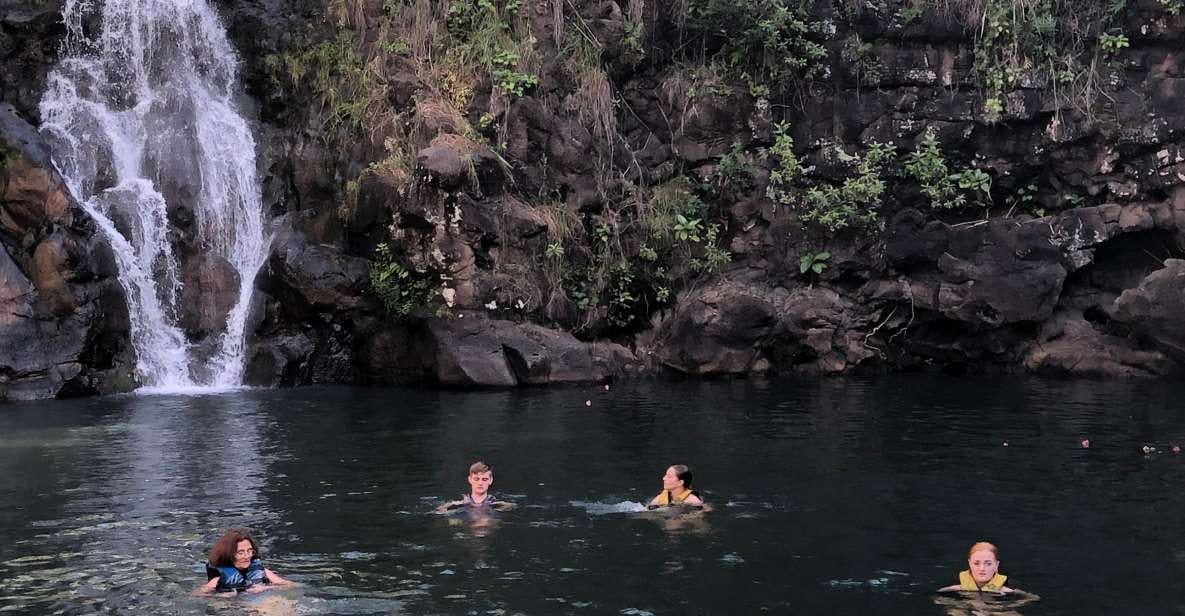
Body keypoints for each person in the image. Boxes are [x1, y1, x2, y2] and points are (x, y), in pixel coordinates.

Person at [194, 529, 297, 595]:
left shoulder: (263, 572)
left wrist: (266, 588)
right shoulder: (218, 580)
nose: (247, 556)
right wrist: (221, 595)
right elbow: (197, 595)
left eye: (249, 551)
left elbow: (292, 586)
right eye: (240, 552)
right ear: (229, 555)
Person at [938, 541, 1020, 594]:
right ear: (969, 563)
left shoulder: (1008, 589)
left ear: (996, 565)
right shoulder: (957, 585)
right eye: (976, 563)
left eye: (988, 564)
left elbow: (1027, 598)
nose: (982, 569)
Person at [437, 461, 514, 512]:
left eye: (484, 479)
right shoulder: (458, 503)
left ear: (490, 480)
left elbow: (512, 506)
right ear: (470, 479)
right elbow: (440, 511)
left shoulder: (497, 503)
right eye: (476, 479)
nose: (480, 483)